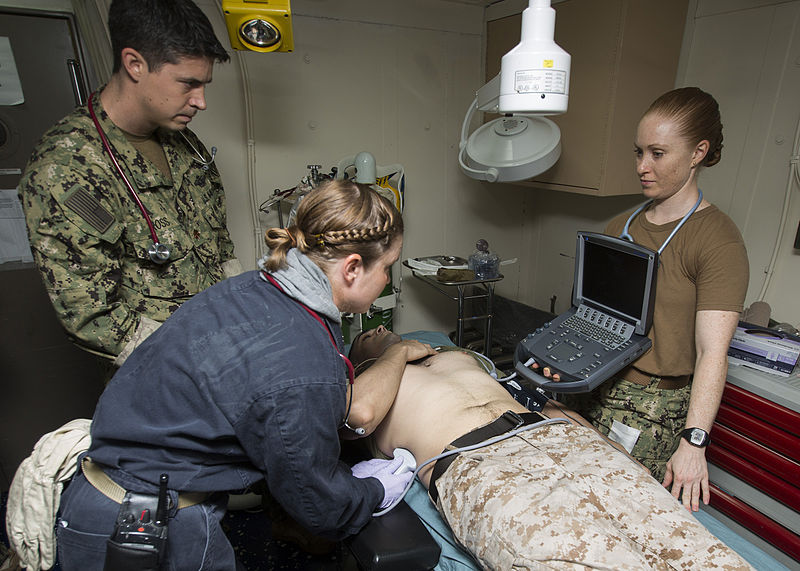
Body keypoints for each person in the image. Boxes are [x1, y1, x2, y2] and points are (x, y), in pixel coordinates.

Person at [52, 180, 434, 570]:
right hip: (144, 528)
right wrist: (373, 490)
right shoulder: (298, 356)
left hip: (104, 494)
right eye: (387, 267)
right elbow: (320, 506)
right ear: (353, 268)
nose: (387, 279)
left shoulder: (252, 290)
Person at [348, 328, 754, 570]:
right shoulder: (369, 383)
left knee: (692, 546)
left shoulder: (457, 357)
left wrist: (613, 451)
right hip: (482, 467)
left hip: (562, 441)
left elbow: (533, 398)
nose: (379, 333)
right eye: (368, 337)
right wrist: (396, 353)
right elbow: (358, 416)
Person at [531, 87, 749, 512]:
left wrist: (694, 442)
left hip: (649, 405)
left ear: (697, 153)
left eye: (658, 153)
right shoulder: (620, 227)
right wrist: (554, 365)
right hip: (590, 383)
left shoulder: (717, 241)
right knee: (562, 494)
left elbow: (712, 353)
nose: (642, 167)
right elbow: (589, 317)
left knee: (615, 509)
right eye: (638, 152)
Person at [18, 0, 242, 369]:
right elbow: (91, 316)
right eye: (188, 84)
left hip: (225, 352)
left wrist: (242, 315)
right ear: (134, 64)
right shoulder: (67, 167)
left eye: (204, 85)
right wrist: (197, 360)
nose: (201, 101)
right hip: (160, 374)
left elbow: (218, 244)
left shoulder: (185, 144)